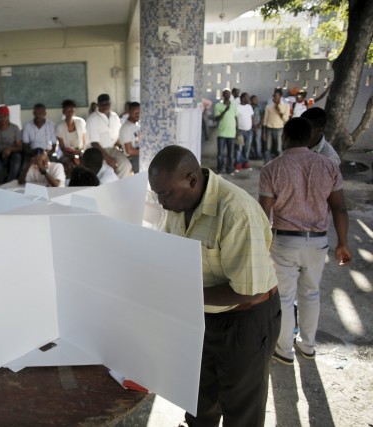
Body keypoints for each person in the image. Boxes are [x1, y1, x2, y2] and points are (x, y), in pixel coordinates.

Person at [148, 145, 280, 427]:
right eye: (156, 193)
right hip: (205, 315)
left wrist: (184, 296)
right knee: (200, 400)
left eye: (165, 193)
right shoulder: (177, 205)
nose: (161, 202)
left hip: (246, 318)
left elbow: (249, 289)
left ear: (191, 180)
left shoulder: (235, 212)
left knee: (241, 408)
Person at [259, 117, 351, 366]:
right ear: (309, 137)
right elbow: (340, 209)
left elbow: (263, 213)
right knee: (311, 294)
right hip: (317, 241)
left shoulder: (272, 168)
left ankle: (284, 349)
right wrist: (343, 242)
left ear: (284, 137)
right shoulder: (328, 166)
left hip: (285, 242)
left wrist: (258, 246)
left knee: (285, 298)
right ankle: (308, 346)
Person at [85, 93, 132, 179]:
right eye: (102, 104)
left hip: (113, 149)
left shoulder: (114, 116)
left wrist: (122, 148)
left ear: (110, 104)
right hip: (97, 151)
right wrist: (108, 158)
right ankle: (109, 187)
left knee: (126, 165)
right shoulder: (92, 119)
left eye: (107, 104)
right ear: (98, 105)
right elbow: (94, 143)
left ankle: (118, 187)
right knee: (107, 170)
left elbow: (117, 136)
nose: (105, 106)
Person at [0, 105, 22, 183]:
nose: (2, 119)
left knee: (17, 159)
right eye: (0, 116)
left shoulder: (15, 128)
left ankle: (10, 182)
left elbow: (20, 147)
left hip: (12, 153)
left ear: (8, 116)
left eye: (4, 116)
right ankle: (3, 182)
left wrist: (10, 149)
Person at [213, 89, 238, 175]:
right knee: (220, 154)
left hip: (232, 133)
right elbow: (216, 119)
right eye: (225, 94)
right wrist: (225, 110)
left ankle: (230, 169)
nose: (227, 96)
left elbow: (236, 118)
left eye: (228, 94)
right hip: (222, 134)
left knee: (230, 154)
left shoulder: (234, 105)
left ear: (230, 95)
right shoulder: (217, 105)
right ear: (223, 96)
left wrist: (237, 131)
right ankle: (220, 169)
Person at [262, 88, 289, 163]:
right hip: (269, 129)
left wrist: (278, 109)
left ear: (280, 96)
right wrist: (264, 133)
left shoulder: (286, 106)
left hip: (279, 129)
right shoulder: (269, 106)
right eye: (274, 96)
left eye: (276, 96)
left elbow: (285, 119)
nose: (274, 98)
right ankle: (266, 164)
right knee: (267, 148)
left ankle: (279, 164)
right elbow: (265, 120)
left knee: (278, 148)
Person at [118, 101, 140, 173]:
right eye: (135, 112)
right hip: (132, 158)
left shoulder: (138, 125)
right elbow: (129, 150)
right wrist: (145, 152)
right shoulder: (126, 128)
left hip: (139, 154)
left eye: (139, 112)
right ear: (129, 112)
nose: (137, 114)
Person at [235, 92, 254, 172]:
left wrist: (253, 126)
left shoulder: (249, 107)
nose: (249, 99)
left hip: (249, 131)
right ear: (243, 98)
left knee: (247, 148)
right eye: (247, 97)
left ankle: (245, 163)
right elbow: (235, 119)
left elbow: (252, 117)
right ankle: (238, 164)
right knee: (239, 148)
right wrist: (236, 131)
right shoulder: (237, 107)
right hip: (240, 131)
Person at [250, 95, 264, 160]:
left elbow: (263, 116)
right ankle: (252, 155)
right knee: (251, 141)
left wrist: (260, 124)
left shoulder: (259, 108)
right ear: (251, 100)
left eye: (256, 99)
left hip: (258, 126)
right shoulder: (249, 107)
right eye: (254, 99)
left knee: (257, 141)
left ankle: (258, 155)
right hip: (250, 127)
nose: (256, 100)